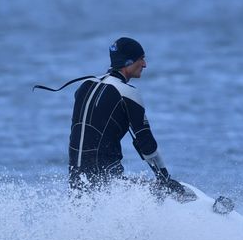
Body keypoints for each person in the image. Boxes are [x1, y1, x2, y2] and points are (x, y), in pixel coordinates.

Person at [35, 37, 187, 198]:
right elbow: (147, 146)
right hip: (107, 182)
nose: (144, 64)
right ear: (128, 62)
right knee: (165, 193)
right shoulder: (128, 93)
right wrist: (165, 178)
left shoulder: (85, 85)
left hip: (76, 181)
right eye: (141, 59)